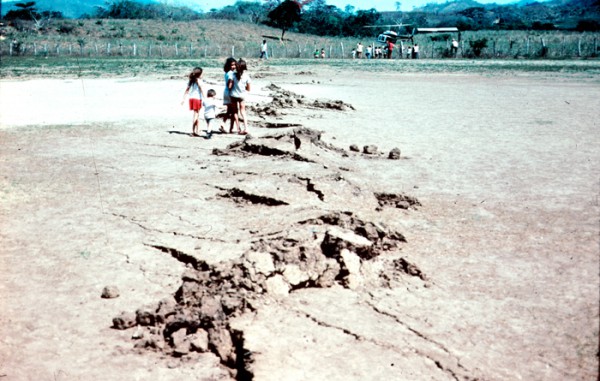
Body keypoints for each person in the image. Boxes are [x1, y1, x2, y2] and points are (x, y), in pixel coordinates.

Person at [229, 58, 251, 135]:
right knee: (243, 112)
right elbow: (248, 88)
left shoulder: (233, 75)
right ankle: (246, 128)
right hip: (242, 95)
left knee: (235, 112)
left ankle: (238, 128)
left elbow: (230, 86)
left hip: (233, 95)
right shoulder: (246, 76)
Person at [181, 67, 205, 137]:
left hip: (192, 98)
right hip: (197, 99)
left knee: (196, 115)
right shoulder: (199, 81)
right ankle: (193, 131)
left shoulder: (191, 80)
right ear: (199, 74)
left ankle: (197, 130)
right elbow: (202, 90)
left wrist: (183, 99)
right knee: (196, 115)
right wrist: (205, 99)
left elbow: (187, 90)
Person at [222, 57, 237, 133]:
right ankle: (232, 128)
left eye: (234, 65)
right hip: (230, 93)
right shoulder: (231, 74)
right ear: (229, 66)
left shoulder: (227, 73)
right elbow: (230, 85)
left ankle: (223, 124)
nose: (233, 66)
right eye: (232, 65)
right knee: (234, 111)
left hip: (225, 92)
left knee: (229, 111)